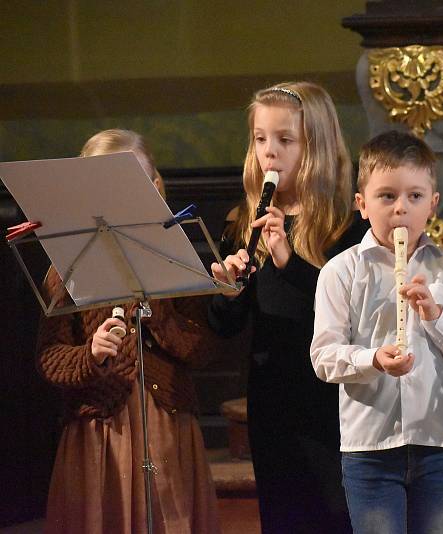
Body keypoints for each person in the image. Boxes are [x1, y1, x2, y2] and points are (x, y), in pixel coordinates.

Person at [36, 129, 220, 534]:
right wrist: (91, 353)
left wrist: (160, 318)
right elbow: (51, 357)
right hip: (99, 430)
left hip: (167, 421)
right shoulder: (69, 266)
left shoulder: (176, 259)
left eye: (132, 184)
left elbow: (203, 347)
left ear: (155, 187)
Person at [208, 81, 367, 534]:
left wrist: (289, 263)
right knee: (282, 515)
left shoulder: (347, 226)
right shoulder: (244, 222)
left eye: (284, 140)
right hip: (272, 399)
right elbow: (225, 328)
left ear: (314, 146)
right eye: (260, 139)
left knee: (336, 516)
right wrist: (228, 290)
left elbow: (349, 314)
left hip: (330, 402)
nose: (269, 153)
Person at [310, 130, 443, 534]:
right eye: (387, 196)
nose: (401, 208)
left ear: (433, 204)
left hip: (438, 444)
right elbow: (323, 356)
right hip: (368, 449)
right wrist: (372, 359)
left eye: (415, 196)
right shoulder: (340, 271)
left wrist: (435, 316)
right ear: (362, 204)